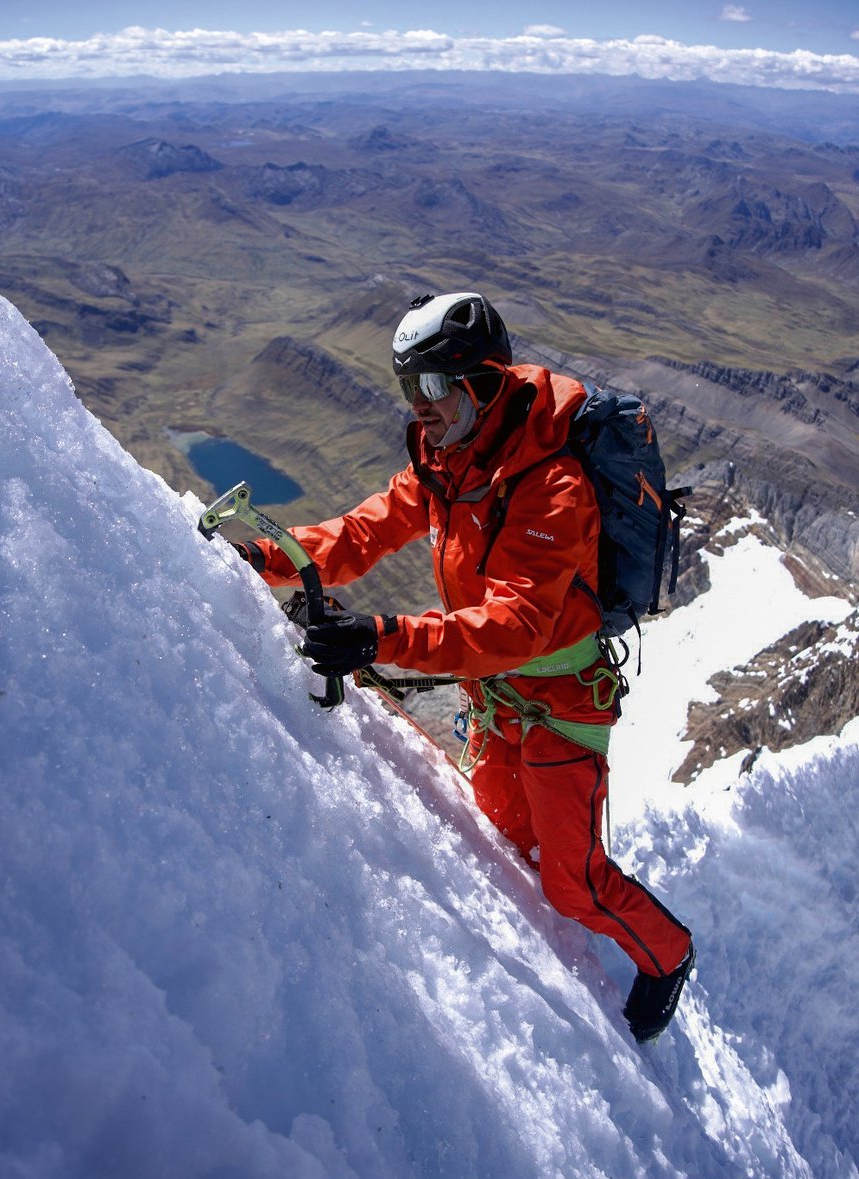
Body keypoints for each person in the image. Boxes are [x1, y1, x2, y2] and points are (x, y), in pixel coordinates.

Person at [235, 291, 694, 1044]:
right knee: (503, 838)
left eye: (433, 388)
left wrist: (381, 637)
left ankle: (668, 955)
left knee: (572, 886)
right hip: (496, 697)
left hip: (561, 705)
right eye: (409, 388)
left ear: (480, 382)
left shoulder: (552, 486)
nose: (419, 407)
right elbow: (364, 532)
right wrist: (266, 558)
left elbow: (517, 626)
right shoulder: (452, 459)